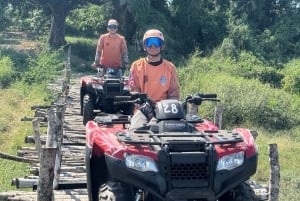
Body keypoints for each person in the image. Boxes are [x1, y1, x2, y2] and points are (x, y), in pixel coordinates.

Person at [129, 29, 180, 129]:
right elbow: (133, 91)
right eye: (149, 42)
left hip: (165, 110)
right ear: (144, 46)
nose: (153, 46)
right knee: (136, 130)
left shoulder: (170, 67)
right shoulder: (136, 66)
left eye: (156, 42)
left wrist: (163, 109)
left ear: (162, 46)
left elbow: (174, 94)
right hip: (143, 109)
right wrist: (143, 105)